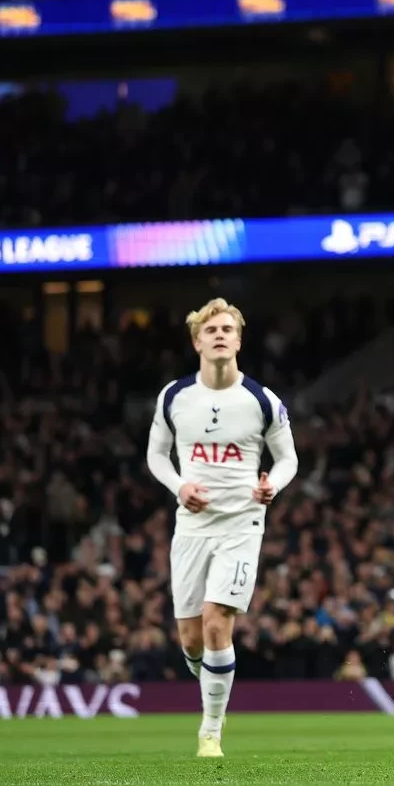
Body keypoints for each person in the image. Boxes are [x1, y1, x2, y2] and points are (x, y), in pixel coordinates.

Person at [146, 298, 298, 758]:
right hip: (191, 527)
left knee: (217, 625)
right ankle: (213, 682)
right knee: (191, 638)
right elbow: (156, 455)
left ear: (238, 339)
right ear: (197, 340)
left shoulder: (262, 400)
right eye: (210, 330)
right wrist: (178, 485)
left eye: (227, 329)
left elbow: (288, 457)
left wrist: (274, 483)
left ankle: (210, 731)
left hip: (242, 524)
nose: (219, 335)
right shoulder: (175, 396)